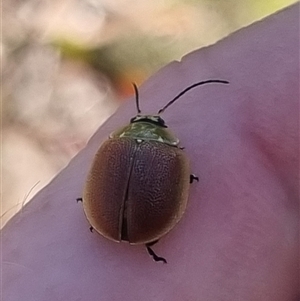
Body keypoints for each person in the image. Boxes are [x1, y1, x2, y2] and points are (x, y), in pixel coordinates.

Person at [2, 3, 299, 300]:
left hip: (108, 220)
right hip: (130, 224)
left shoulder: (117, 144)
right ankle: (145, 239)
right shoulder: (172, 153)